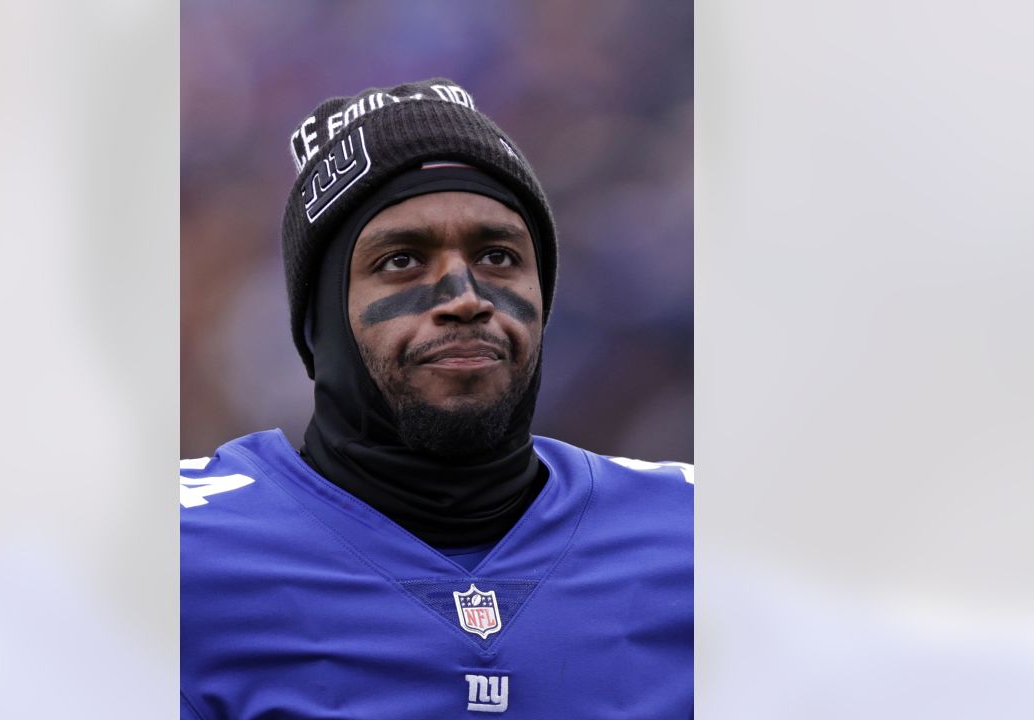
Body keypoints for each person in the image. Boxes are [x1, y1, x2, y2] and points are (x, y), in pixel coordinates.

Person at [180, 78, 693, 719]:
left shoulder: (695, 540)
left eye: (499, 255)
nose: (465, 296)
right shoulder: (185, 555)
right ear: (320, 318)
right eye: (401, 260)